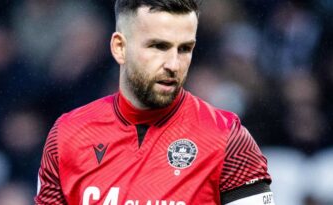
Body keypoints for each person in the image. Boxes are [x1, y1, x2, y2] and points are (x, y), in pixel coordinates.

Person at [35, 0, 275, 204]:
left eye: (184, 49)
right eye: (158, 46)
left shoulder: (228, 138)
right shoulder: (67, 135)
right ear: (120, 48)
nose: (173, 63)